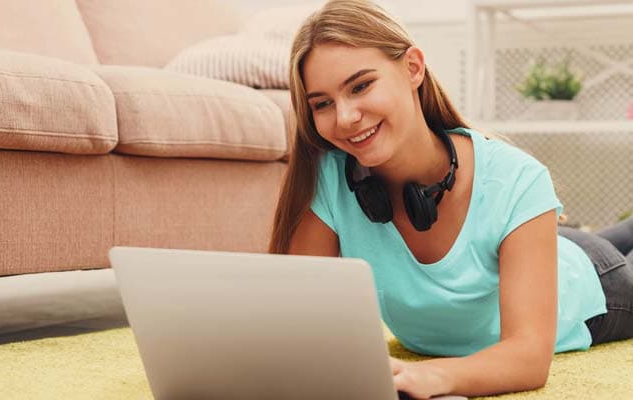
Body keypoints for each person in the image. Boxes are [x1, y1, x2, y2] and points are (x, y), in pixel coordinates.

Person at [268, 0, 633, 398]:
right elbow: (299, 328)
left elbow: (528, 358)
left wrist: (431, 377)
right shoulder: (329, 179)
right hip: (539, 249)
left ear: (413, 68)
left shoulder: (517, 178)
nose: (345, 118)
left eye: (360, 86)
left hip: (592, 284)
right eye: (322, 103)